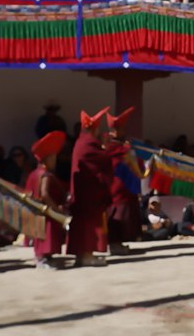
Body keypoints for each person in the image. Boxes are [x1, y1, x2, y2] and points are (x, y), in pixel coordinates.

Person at [66, 107, 113, 267]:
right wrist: (107, 149)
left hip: (84, 192)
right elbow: (103, 160)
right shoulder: (88, 144)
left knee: (84, 224)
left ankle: (82, 255)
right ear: (94, 128)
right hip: (88, 194)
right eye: (98, 127)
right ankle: (86, 255)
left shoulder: (82, 142)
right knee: (88, 225)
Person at [24, 130, 68, 269]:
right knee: (47, 234)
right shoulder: (45, 175)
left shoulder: (34, 173)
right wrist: (55, 208)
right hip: (45, 212)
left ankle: (43, 257)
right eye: (53, 158)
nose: (55, 161)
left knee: (40, 235)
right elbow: (44, 194)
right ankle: (43, 259)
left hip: (35, 211)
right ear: (47, 159)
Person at [105, 107, 141, 256]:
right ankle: (114, 244)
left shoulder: (121, 146)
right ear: (112, 131)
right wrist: (128, 150)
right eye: (120, 128)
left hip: (125, 186)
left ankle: (118, 243)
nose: (123, 131)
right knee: (117, 216)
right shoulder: (111, 147)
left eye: (123, 128)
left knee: (125, 216)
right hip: (117, 187)